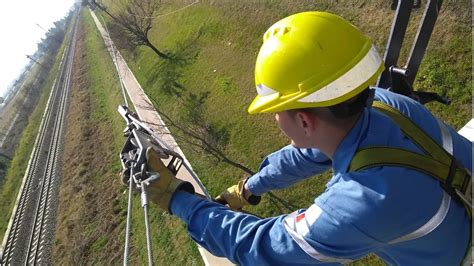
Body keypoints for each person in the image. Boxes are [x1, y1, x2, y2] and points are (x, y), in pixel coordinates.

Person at [141, 11, 472, 265]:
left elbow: (263, 247)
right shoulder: (385, 104)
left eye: (276, 110)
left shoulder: (362, 203)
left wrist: (178, 198)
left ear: (302, 119)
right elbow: (306, 154)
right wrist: (248, 188)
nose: (274, 119)